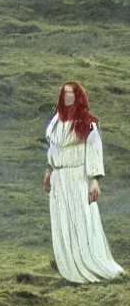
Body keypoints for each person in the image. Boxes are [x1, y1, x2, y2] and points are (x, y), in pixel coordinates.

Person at [43, 81, 125, 283]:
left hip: (77, 176)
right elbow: (53, 149)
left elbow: (94, 151)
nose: (68, 97)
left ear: (78, 96)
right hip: (59, 178)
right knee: (62, 218)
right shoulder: (56, 121)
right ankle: (66, 260)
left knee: (82, 217)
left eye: (71, 94)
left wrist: (94, 180)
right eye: (65, 94)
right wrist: (48, 171)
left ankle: (89, 261)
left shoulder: (87, 123)